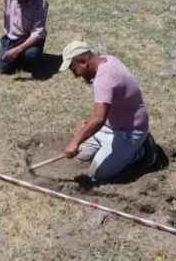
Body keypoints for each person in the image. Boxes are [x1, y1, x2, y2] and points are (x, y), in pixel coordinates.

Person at [59, 41, 156, 181]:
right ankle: (114, 149)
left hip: (129, 133)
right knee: (82, 156)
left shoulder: (104, 79)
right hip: (110, 126)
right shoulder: (107, 60)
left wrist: (74, 142)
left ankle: (140, 151)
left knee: (98, 173)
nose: (75, 75)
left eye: (73, 69)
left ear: (84, 62)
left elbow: (99, 119)